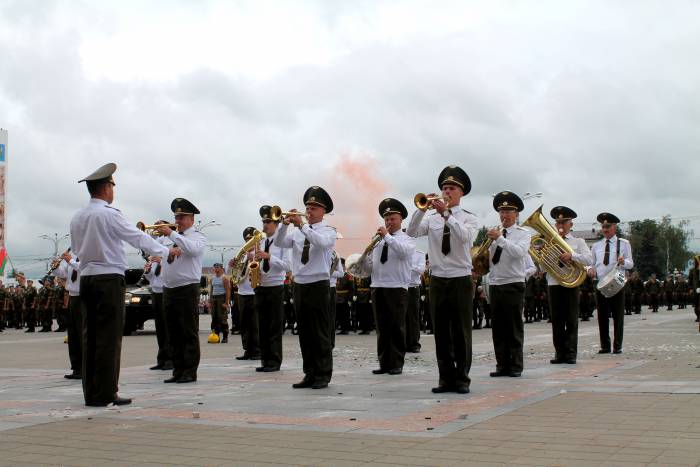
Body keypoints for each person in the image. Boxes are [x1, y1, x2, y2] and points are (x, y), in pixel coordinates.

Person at [70, 163, 170, 406]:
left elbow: (75, 251)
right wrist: (165, 250)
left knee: (90, 336)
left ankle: (91, 393)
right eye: (113, 185)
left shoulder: (77, 217)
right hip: (109, 280)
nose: (113, 190)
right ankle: (106, 393)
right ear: (106, 188)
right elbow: (137, 237)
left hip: (87, 279)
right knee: (109, 337)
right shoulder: (109, 214)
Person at [406, 165, 478, 394]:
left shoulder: (468, 218)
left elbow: (465, 238)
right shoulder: (433, 219)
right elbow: (412, 232)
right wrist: (422, 208)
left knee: (461, 331)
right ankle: (445, 378)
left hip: (460, 278)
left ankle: (462, 378)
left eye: (451, 188)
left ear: (461, 192)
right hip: (437, 278)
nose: (446, 192)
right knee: (442, 332)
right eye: (444, 188)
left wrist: (447, 215)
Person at [275, 186, 336, 389]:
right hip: (300, 284)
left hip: (318, 284)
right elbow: (279, 242)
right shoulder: (298, 232)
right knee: (305, 333)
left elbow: (320, 244)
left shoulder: (328, 231)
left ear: (323, 211)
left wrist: (302, 226)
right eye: (307, 207)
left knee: (320, 332)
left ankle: (323, 374)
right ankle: (309, 373)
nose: (309, 212)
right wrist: (284, 224)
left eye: (314, 208)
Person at [359, 198, 416, 375]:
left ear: (401, 219)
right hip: (378, 285)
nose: (389, 222)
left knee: (396, 326)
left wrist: (387, 236)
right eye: (387, 219)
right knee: (382, 327)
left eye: (393, 218)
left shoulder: (406, 239)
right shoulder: (378, 241)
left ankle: (397, 363)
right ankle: (384, 362)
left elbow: (403, 252)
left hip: (397, 287)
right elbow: (372, 266)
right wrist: (364, 261)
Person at [156, 198, 206, 384]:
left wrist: (171, 234)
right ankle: (177, 369)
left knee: (188, 331)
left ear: (191, 219)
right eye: (176, 217)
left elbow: (192, 250)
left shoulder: (197, 237)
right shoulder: (170, 238)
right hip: (169, 288)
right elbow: (155, 252)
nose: (178, 221)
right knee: (173, 332)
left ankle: (189, 371)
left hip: (187, 288)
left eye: (182, 217)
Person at [487, 191, 532, 378]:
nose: (504, 215)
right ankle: (501, 365)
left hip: (514, 283)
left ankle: (515, 365)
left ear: (517, 214)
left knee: (513, 327)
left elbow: (518, 253)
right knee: (498, 329)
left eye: (508, 211)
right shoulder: (496, 232)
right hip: (496, 282)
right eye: (501, 211)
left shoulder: (524, 234)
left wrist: (499, 239)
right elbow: (488, 259)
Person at [545, 206, 592, 364]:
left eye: (564, 222)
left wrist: (572, 256)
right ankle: (559, 353)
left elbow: (589, 259)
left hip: (571, 283)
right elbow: (541, 267)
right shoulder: (548, 241)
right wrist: (545, 256)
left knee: (571, 319)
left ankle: (571, 353)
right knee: (557, 320)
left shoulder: (578, 241)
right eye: (558, 222)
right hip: (554, 283)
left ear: (570, 224)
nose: (560, 225)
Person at [254, 205, 292, 372]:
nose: (265, 224)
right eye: (263, 221)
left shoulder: (282, 242)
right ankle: (265, 360)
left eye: (268, 221)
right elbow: (258, 263)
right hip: (261, 286)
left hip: (276, 286)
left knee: (274, 326)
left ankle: (274, 362)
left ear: (276, 223)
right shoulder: (261, 241)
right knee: (262, 326)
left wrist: (270, 257)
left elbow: (288, 266)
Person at [590, 213, 634, 354]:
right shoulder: (596, 245)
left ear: (614, 227)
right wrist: (589, 269)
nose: (605, 229)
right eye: (603, 227)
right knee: (602, 316)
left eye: (608, 227)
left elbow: (630, 264)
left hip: (618, 280)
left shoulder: (624, 243)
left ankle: (617, 346)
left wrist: (623, 262)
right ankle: (605, 346)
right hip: (601, 283)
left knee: (618, 315)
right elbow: (591, 264)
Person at [144, 237, 173, 370]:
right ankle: (161, 358)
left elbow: (170, 274)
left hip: (165, 292)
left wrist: (162, 262)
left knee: (168, 327)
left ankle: (170, 359)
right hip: (155, 292)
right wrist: (148, 271)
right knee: (160, 327)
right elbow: (151, 278)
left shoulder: (167, 260)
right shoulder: (154, 260)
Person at [232, 227, 261, 361]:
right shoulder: (241, 253)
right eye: (246, 240)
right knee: (244, 323)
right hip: (242, 292)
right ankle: (247, 350)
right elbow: (234, 273)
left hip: (254, 292)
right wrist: (232, 264)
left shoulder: (259, 252)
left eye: (250, 240)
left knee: (255, 323)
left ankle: (257, 350)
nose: (248, 242)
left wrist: (253, 258)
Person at [54, 251, 82, 379]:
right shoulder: (74, 257)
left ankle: (85, 368)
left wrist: (70, 260)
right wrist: (55, 268)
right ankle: (76, 367)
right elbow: (64, 274)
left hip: (84, 297)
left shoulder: (88, 253)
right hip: (72, 297)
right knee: (73, 334)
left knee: (82, 333)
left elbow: (84, 268)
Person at [406, 249, 426, 352]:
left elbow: (421, 270)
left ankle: (414, 344)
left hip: (413, 287)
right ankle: (403, 343)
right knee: (401, 317)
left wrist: (408, 266)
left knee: (413, 317)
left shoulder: (419, 254)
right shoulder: (400, 252)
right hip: (400, 287)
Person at [209, 262, 231, 343]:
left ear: (222, 269)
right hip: (214, 299)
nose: (216, 269)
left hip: (221, 298)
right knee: (214, 318)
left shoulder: (224, 278)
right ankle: (215, 336)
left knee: (222, 318)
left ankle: (225, 336)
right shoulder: (212, 278)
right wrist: (209, 301)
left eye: (217, 267)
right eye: (214, 267)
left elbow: (228, 291)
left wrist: (227, 302)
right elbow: (211, 290)